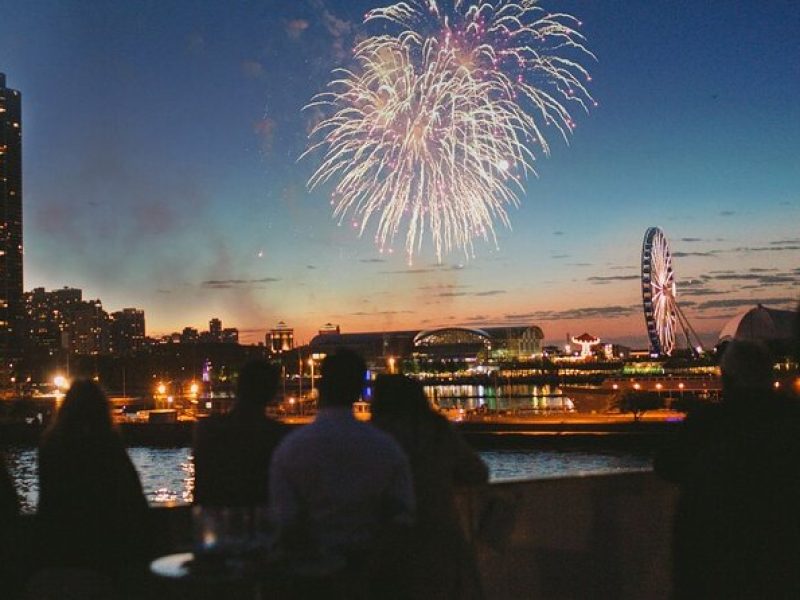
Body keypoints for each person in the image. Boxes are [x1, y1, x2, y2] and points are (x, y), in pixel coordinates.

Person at [656, 340, 800, 598]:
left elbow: (666, 466)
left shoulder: (707, 422)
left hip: (717, 562)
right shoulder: (790, 418)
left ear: (727, 378)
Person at [269, 348, 414, 598]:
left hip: (314, 579)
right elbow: (401, 519)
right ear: (359, 388)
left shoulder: (292, 448)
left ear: (321, 386)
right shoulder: (386, 447)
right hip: (373, 577)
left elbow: (285, 521)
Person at [372, 374, 488, 599]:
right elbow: (477, 472)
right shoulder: (437, 431)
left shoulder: (374, 436)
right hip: (441, 539)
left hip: (389, 544)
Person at [36, 380, 152, 579]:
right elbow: (134, 495)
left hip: (57, 551)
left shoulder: (51, 446)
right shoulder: (108, 445)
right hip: (106, 551)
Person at [193, 359, 287, 506]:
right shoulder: (279, 436)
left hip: (215, 518)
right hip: (262, 518)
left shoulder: (207, 429)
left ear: (236, 388)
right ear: (272, 394)